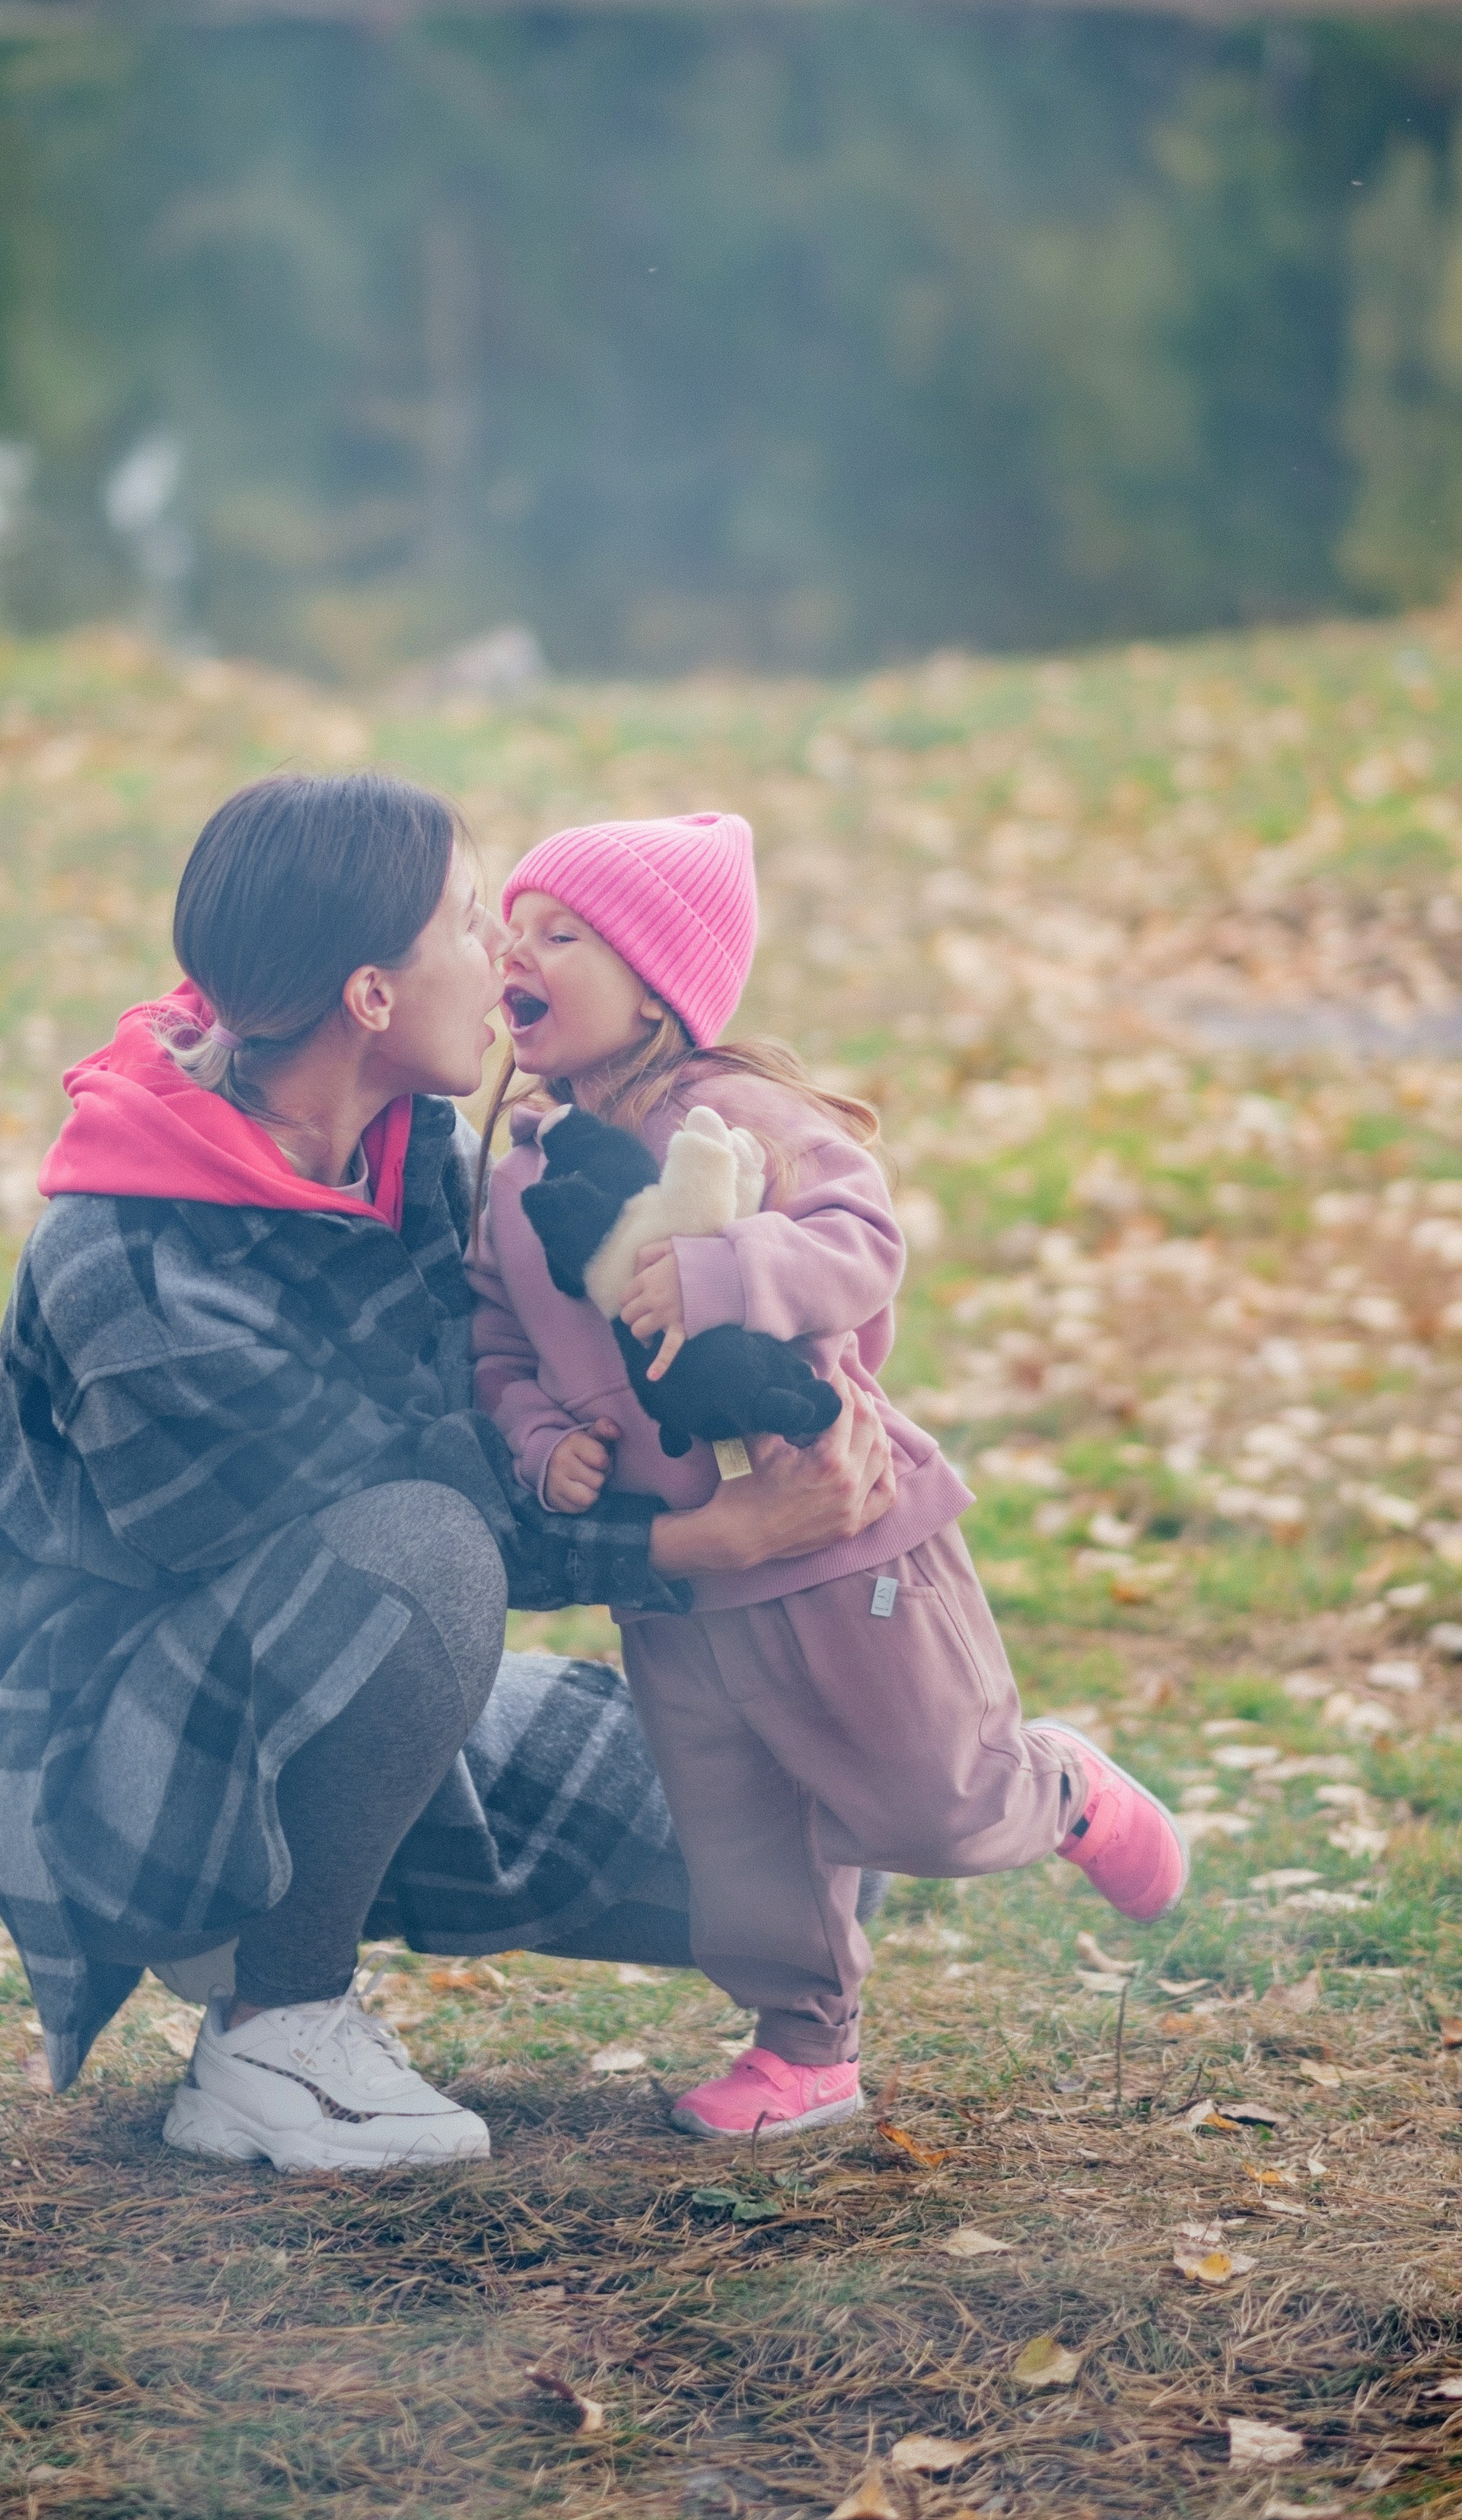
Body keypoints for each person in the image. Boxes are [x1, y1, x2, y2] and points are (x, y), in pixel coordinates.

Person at [0, 770, 899, 2175]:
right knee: (427, 1549)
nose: (504, 956)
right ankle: (276, 2025)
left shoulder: (420, 1158)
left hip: (353, 1673)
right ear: (372, 997)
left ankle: (314, 1900)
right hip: (120, 1752)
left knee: (803, 1833)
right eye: (470, 920)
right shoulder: (132, 1256)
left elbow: (527, 1409)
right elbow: (442, 1528)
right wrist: (724, 1539)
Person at [467, 810, 1188, 2141]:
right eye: (515, 932)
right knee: (735, 1838)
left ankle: (1061, 1789)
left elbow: (861, 1241)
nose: (522, 953)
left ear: (655, 985)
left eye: (562, 934)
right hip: (679, 1583)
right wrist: (532, 1437)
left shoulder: (737, 1118)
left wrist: (726, 1269)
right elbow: (496, 1340)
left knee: (930, 1802)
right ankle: (804, 2044)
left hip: (842, 1535)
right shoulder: (514, 1174)